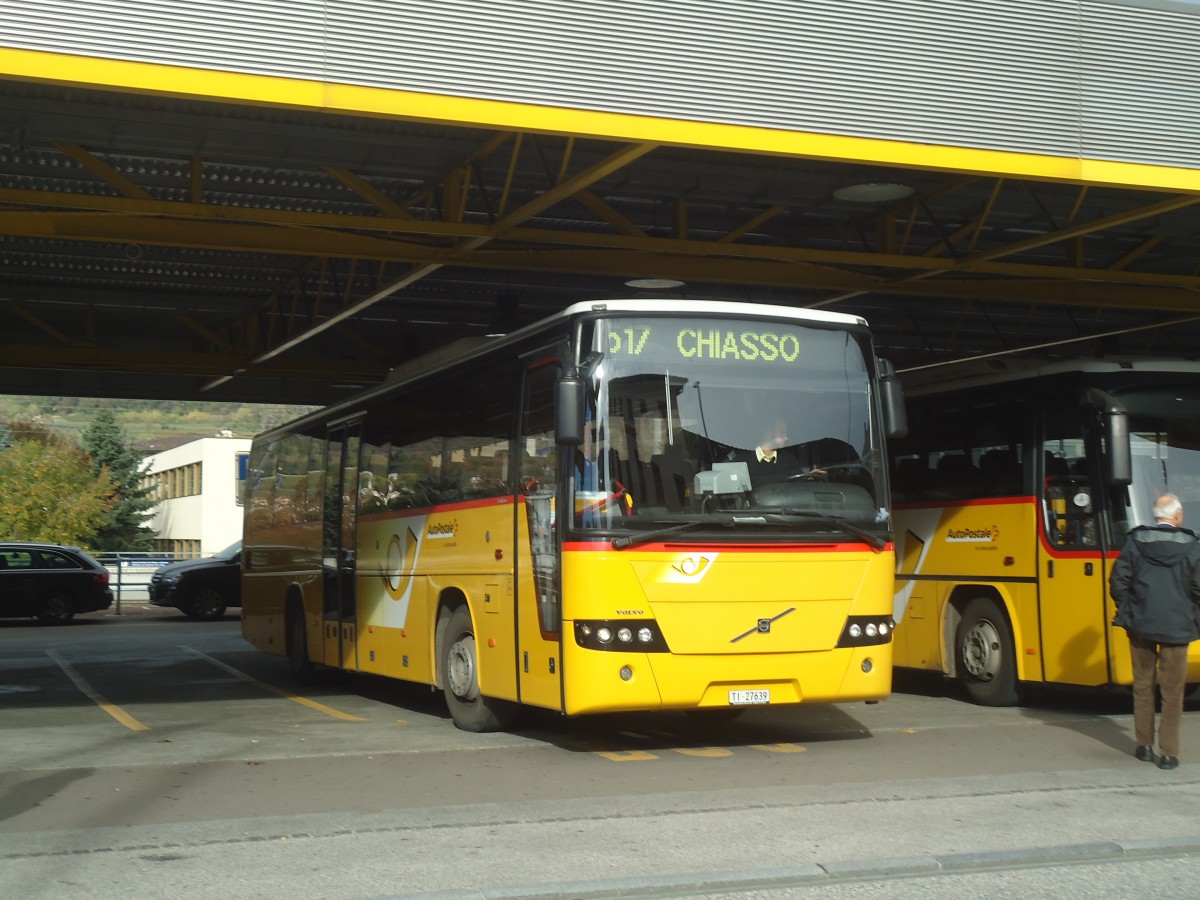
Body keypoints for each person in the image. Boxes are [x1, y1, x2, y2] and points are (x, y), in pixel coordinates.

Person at [1109, 493, 1200, 770]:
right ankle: (1168, 754)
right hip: (1177, 626)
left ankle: (1144, 746)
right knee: (1172, 692)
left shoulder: (1136, 541)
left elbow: (1118, 580)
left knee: (1143, 685)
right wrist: (1192, 617)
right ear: (1178, 516)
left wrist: (1129, 609)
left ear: (1156, 516)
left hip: (1141, 624)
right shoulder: (1193, 546)